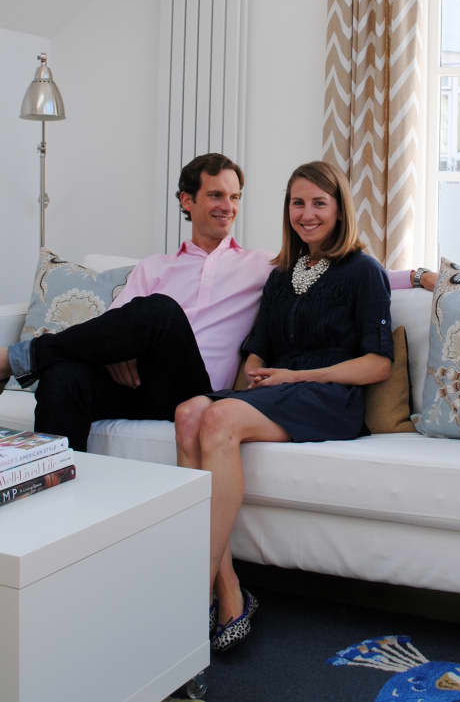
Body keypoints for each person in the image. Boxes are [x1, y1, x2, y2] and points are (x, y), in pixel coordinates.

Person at [0, 153, 436, 450]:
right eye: (215, 196)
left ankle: (19, 358)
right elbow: (112, 330)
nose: (227, 206)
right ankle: (57, 499)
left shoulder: (265, 266)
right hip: (141, 386)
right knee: (64, 377)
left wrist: (415, 276)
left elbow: (342, 270)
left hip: (198, 389)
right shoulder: (153, 267)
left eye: (234, 197)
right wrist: (115, 351)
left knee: (160, 310)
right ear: (187, 202)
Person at [175, 161, 395, 653]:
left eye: (319, 203)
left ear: (339, 210)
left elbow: (378, 365)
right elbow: (258, 348)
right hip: (279, 388)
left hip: (330, 396)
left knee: (219, 420)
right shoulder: (281, 276)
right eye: (298, 203)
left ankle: (188, 594)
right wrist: (240, 386)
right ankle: (227, 587)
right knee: (191, 412)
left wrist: (296, 376)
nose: (307, 213)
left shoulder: (363, 271)